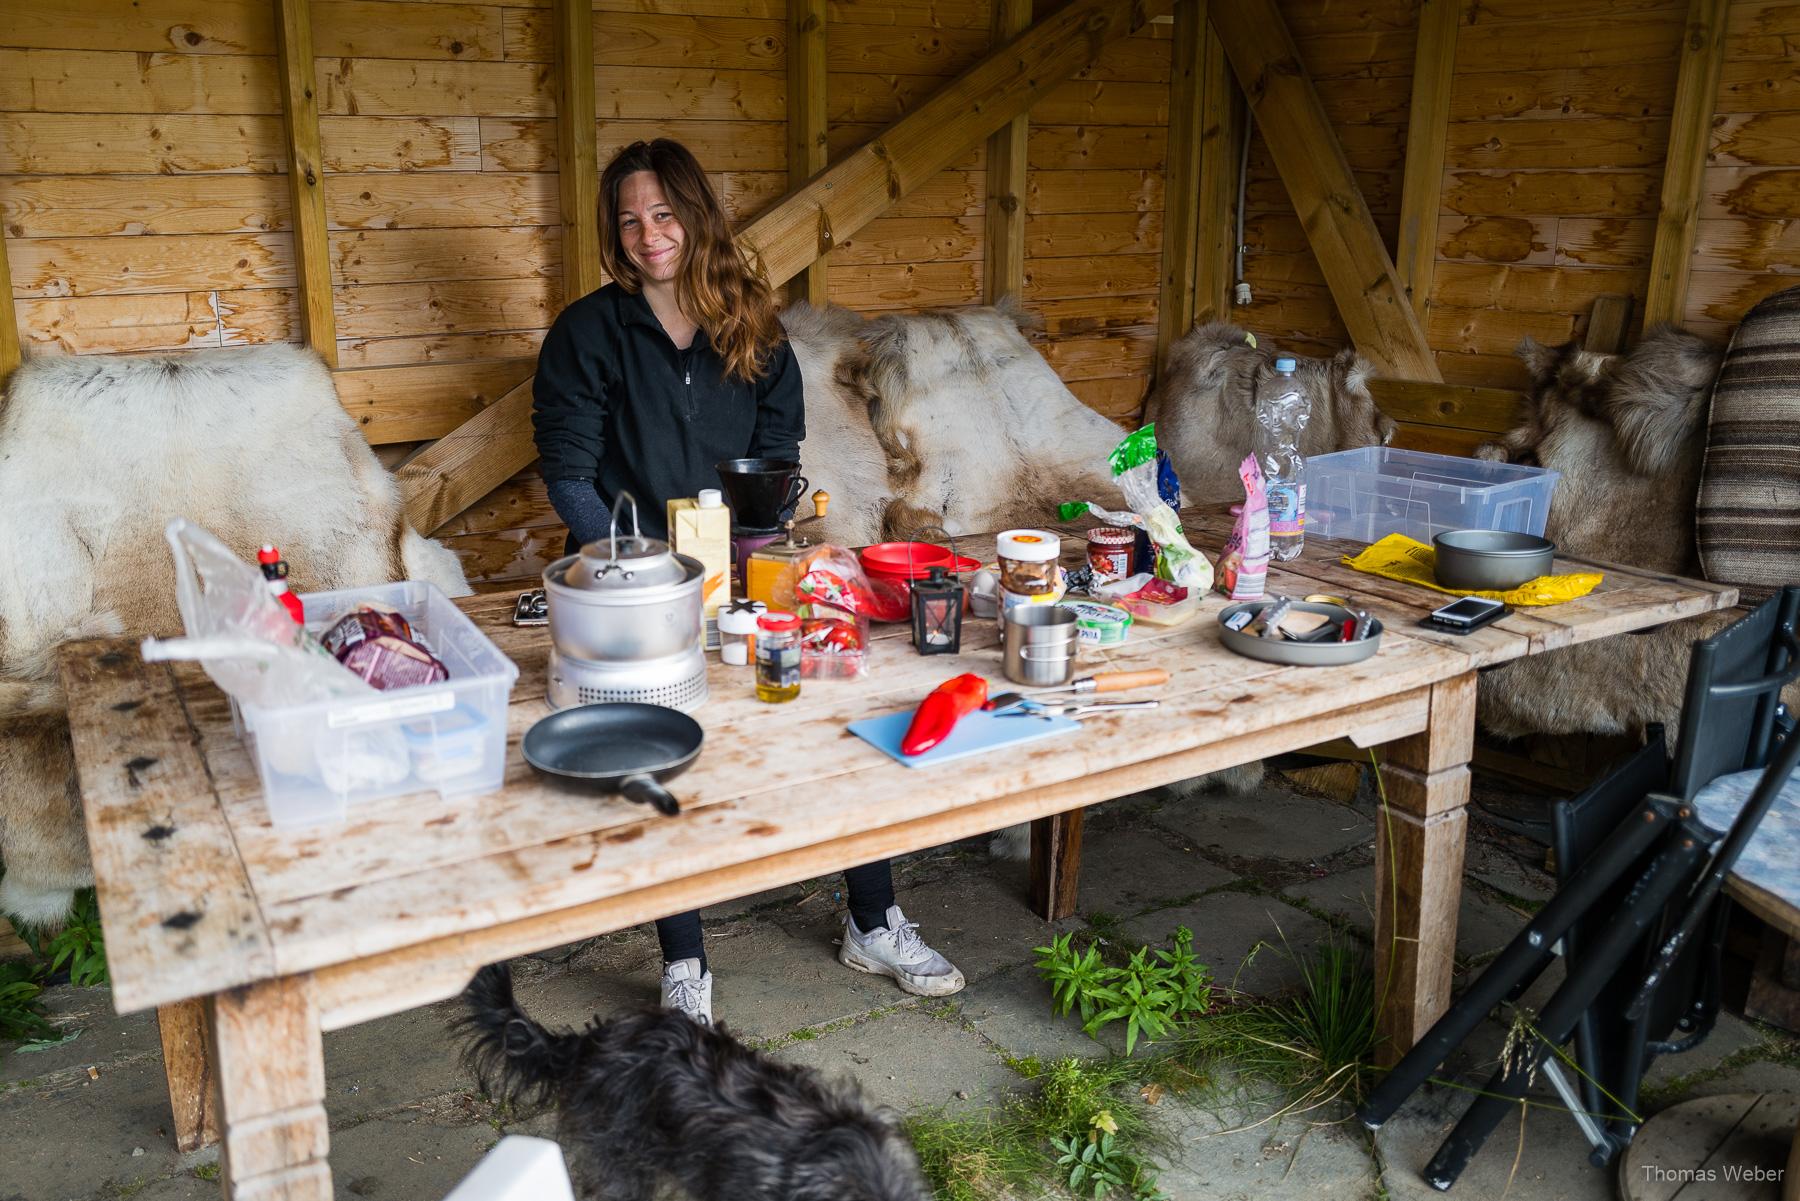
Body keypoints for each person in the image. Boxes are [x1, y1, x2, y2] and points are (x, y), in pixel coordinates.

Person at [531, 139, 965, 1025]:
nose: (649, 235)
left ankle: (873, 917)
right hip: (644, 583)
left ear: (695, 217)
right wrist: (640, 571)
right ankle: (685, 963)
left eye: (664, 213)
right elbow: (570, 471)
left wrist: (768, 560)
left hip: (753, 563)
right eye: (629, 220)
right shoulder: (587, 334)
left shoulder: (757, 333)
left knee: (836, 721)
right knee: (666, 748)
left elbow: (778, 461)